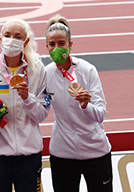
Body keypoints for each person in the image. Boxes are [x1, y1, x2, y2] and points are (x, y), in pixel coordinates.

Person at [0, 18, 51, 192]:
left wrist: (27, 98)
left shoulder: (37, 69)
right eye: (7, 35)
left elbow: (41, 115)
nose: (11, 40)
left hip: (29, 154)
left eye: (18, 36)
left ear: (26, 41)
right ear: (0, 39)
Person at [44, 15, 112, 192]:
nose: (56, 48)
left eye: (61, 43)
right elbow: (39, 112)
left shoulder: (87, 70)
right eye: (52, 44)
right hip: (62, 153)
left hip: (95, 151)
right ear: (47, 47)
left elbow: (100, 114)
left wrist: (86, 106)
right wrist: (26, 98)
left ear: (70, 45)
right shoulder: (46, 74)